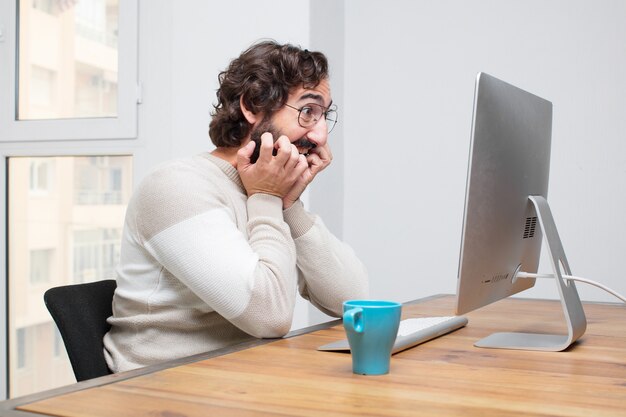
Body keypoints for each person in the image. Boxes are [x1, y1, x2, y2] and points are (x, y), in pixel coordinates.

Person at [103, 40, 369, 372]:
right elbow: (269, 317)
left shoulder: (265, 194)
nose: (320, 136)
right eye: (307, 112)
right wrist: (268, 198)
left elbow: (353, 300)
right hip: (161, 390)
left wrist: (290, 206)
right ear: (254, 106)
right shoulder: (176, 186)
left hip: (244, 379)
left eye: (324, 116)